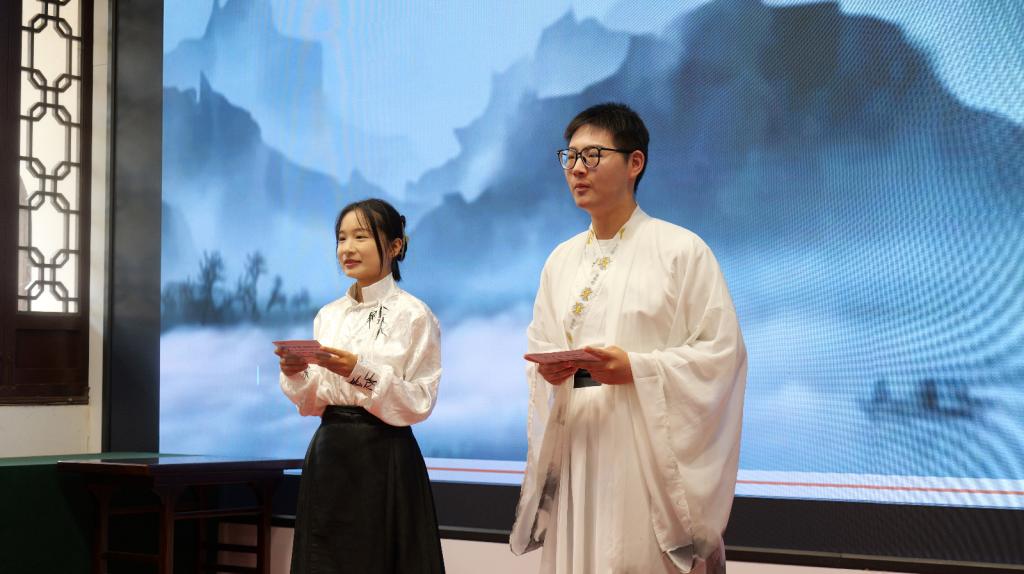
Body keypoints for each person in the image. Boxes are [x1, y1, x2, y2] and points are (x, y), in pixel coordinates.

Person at [510, 103, 747, 574]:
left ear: (634, 162)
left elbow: (722, 356)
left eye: (593, 155)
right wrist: (555, 372)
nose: (577, 168)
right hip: (579, 449)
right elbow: (543, 348)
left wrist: (636, 369)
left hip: (643, 461)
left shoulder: (681, 251)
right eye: (570, 156)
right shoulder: (560, 261)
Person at [277, 198, 445, 574]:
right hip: (329, 453)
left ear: (395, 246)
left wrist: (358, 372)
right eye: (341, 238)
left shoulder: (415, 315)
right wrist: (295, 372)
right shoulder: (328, 315)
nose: (347, 248)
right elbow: (312, 402)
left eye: (361, 237)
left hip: (385, 456)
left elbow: (419, 401)